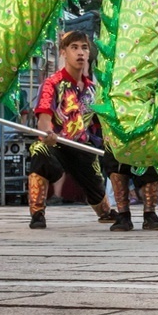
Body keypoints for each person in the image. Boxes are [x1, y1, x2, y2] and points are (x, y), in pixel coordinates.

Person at [26, 31, 116, 229]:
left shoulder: (93, 90)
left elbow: (100, 124)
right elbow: (44, 118)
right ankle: (37, 213)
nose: (80, 53)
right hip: (56, 144)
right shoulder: (52, 83)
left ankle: (104, 210)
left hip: (83, 147)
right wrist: (46, 133)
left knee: (101, 202)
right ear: (63, 52)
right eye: (74, 47)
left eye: (84, 48)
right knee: (40, 152)